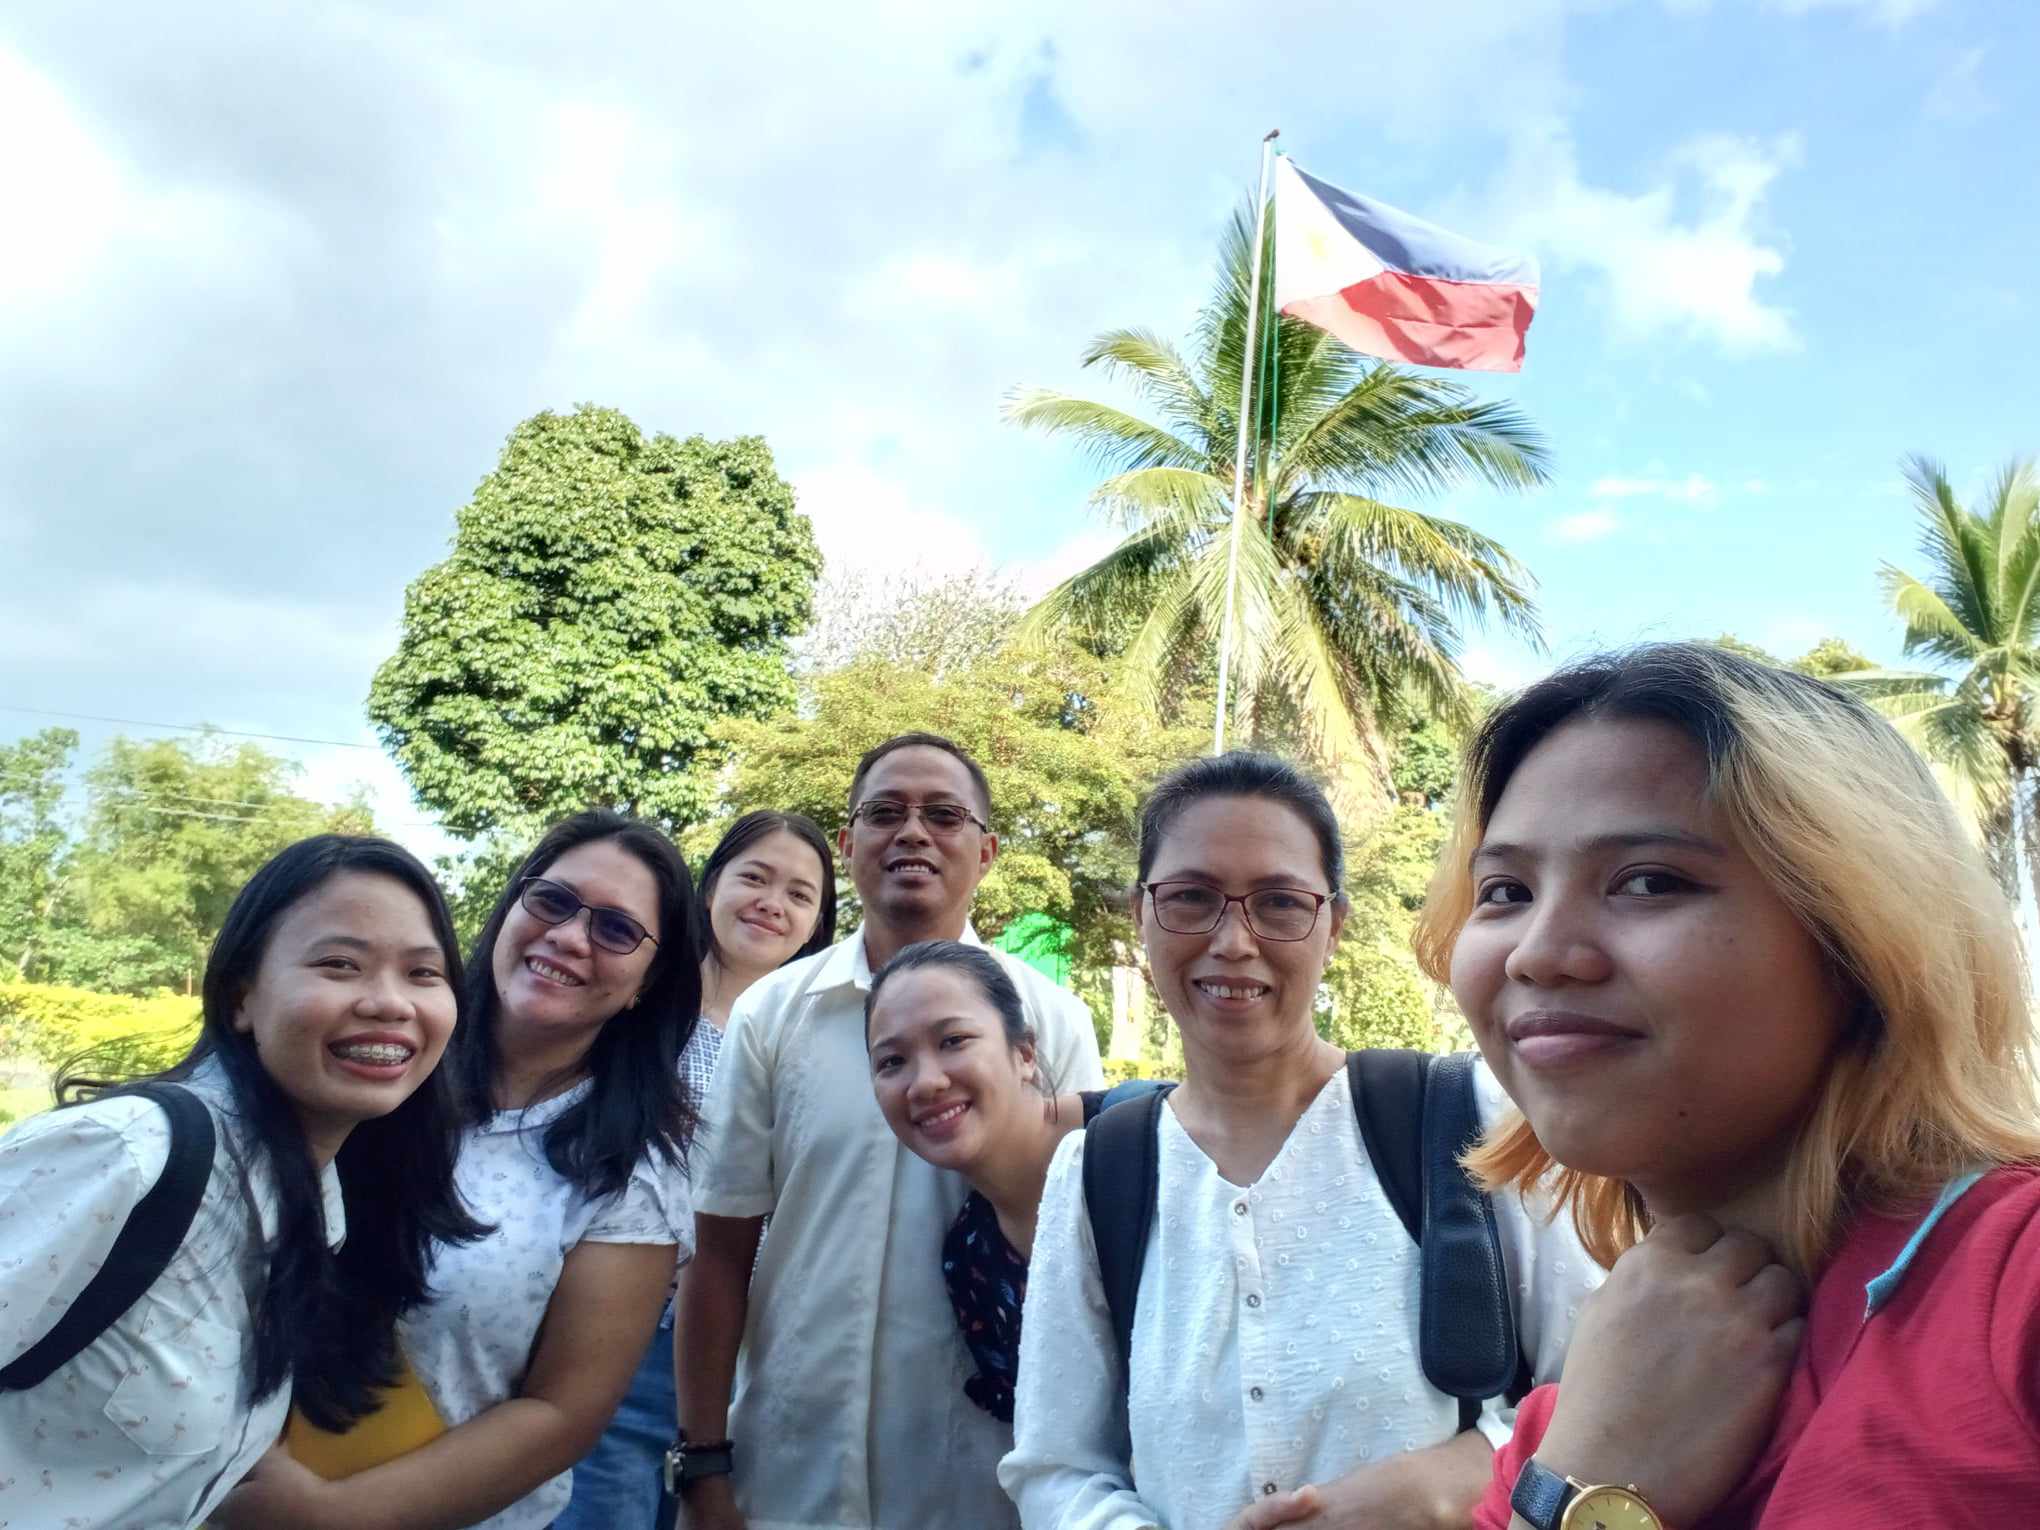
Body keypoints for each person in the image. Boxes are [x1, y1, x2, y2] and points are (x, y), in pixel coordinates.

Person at [1405, 643, 2040, 1529]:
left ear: (1861, 944)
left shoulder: (2015, 1290)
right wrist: (1590, 1477)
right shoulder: (1570, 1425)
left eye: (1648, 882)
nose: (1537, 954)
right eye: (1505, 891)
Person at [1001, 751, 1602, 1530]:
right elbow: (1057, 1467)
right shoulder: (1099, 1172)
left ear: (1333, 926)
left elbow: (1603, 1389)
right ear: (1139, 915)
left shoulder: (1467, 1117)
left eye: (1280, 903)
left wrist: (1445, 1486)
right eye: (1191, 898)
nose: (1233, 940)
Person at [217, 810, 704, 1530]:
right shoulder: (372, 1055)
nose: (570, 937)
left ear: (646, 981)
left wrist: (331, 1516)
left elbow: (561, 1412)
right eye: (553, 901)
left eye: (615, 929)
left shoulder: (633, 1173)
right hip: (199, 1474)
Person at [677, 732, 1105, 1530]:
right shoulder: (774, 1013)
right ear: (848, 844)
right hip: (788, 1477)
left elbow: (1079, 1257)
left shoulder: (1050, 1020)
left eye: (943, 815)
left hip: (983, 1484)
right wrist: (702, 1467)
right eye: (885, 813)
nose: (913, 832)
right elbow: (720, 1250)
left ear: (987, 851)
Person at [0, 834, 481, 1530]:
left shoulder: (320, 1204)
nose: (390, 1003)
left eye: (423, 973)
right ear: (240, 998)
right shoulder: (129, 1154)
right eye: (339, 964)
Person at [559, 810, 836, 1529]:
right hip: (614, 1333)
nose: (772, 903)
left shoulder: (819, 1047)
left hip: (742, 1353)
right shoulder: (637, 1007)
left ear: (817, 924)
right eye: (755, 878)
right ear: (710, 887)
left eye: (799, 894)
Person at [865, 939, 1160, 1426]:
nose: (925, 1082)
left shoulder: (1153, 1138)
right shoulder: (973, 1262)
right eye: (892, 1062)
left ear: (1024, 1053)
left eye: (953, 1041)